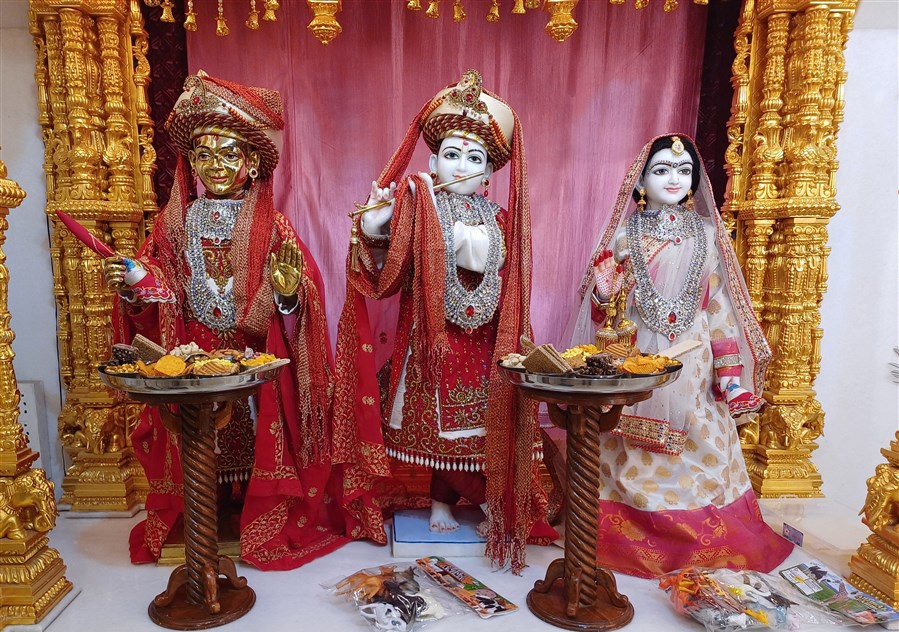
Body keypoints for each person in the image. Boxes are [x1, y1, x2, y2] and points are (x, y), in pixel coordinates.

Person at [105, 71, 348, 570]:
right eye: (204, 154)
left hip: (252, 360)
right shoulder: (174, 223)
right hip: (189, 356)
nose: (215, 165)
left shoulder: (273, 226)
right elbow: (160, 284)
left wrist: (286, 294)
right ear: (191, 162)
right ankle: (204, 512)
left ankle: (253, 508)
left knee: (252, 438)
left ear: (253, 162)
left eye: (228, 153)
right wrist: (134, 284)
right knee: (198, 442)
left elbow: (303, 296)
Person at [333, 70, 553, 571]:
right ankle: (440, 502)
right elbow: (386, 270)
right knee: (435, 432)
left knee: (483, 428)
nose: (461, 166)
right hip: (433, 341)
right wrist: (377, 225)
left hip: (488, 342)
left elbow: (492, 262)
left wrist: (435, 223)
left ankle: (486, 499)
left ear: (489, 174)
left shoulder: (498, 219)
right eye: (451, 154)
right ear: (432, 162)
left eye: (474, 159)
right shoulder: (416, 208)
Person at [569, 134, 792, 578]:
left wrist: (730, 377)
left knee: (699, 437)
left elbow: (720, 309)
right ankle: (629, 531)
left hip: (694, 360)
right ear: (640, 182)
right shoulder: (624, 236)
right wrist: (605, 294)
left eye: (684, 171)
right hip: (637, 358)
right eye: (662, 170)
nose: (674, 178)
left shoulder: (709, 237)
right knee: (628, 443)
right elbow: (604, 312)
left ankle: (698, 534)